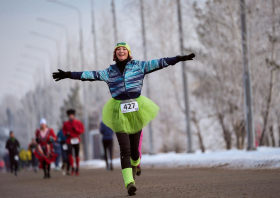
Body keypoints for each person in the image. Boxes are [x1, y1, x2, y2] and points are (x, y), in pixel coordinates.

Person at [53, 42, 195, 195]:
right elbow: (89, 75)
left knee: (134, 152)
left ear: (128, 52)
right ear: (115, 54)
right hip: (118, 112)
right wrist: (68, 74)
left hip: (136, 111)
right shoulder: (109, 72)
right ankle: (129, 183)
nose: (121, 51)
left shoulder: (139, 66)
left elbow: (160, 62)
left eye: (124, 49)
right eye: (118, 49)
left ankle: (136, 164)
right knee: (125, 149)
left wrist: (179, 58)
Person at [62, 109, 84, 176]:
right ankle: (72, 167)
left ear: (73, 116)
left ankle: (77, 168)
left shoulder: (78, 122)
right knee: (70, 155)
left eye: (72, 115)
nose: (71, 116)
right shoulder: (66, 123)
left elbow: (82, 130)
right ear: (68, 116)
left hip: (76, 139)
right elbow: (63, 131)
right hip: (69, 140)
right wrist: (66, 134)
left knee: (77, 155)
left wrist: (76, 129)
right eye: (70, 115)